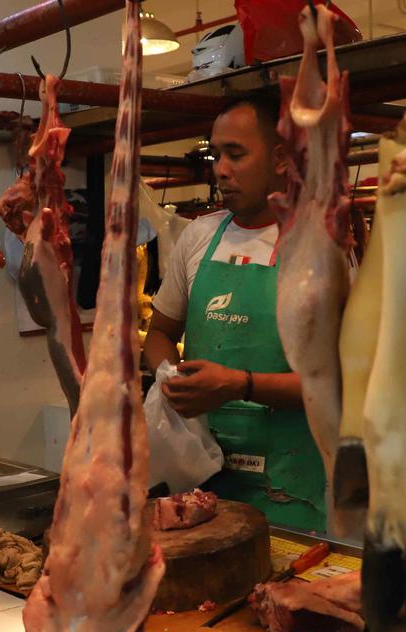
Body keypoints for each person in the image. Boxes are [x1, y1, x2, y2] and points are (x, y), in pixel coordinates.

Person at [141, 97, 327, 532]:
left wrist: (238, 385)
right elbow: (160, 331)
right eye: (216, 155)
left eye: (236, 154)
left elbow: (335, 384)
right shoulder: (199, 236)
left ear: (279, 159)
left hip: (288, 488)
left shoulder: (319, 246)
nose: (221, 170)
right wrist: (171, 378)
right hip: (200, 481)